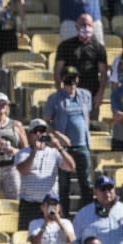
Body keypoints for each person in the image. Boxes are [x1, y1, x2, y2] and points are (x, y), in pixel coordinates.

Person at [45, 66, 93, 212]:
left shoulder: (85, 95)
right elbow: (46, 122)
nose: (70, 84)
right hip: (63, 147)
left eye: (73, 79)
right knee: (64, 184)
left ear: (77, 80)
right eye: (67, 80)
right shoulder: (54, 98)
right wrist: (59, 135)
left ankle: (87, 213)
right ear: (62, 81)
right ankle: (64, 214)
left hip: (82, 144)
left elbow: (87, 117)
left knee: (86, 182)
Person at [15, 118, 76, 228]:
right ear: (30, 135)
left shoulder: (54, 152)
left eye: (42, 131)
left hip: (50, 204)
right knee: (26, 238)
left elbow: (71, 167)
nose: (39, 134)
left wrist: (59, 147)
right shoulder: (23, 153)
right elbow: (23, 170)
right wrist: (34, 151)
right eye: (35, 131)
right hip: (29, 205)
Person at [53, 13, 107, 120]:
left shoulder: (99, 48)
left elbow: (104, 74)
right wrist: (60, 92)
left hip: (91, 96)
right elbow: (57, 71)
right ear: (76, 27)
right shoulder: (65, 46)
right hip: (70, 95)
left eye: (89, 25)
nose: (86, 28)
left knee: (90, 127)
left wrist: (100, 94)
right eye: (83, 24)